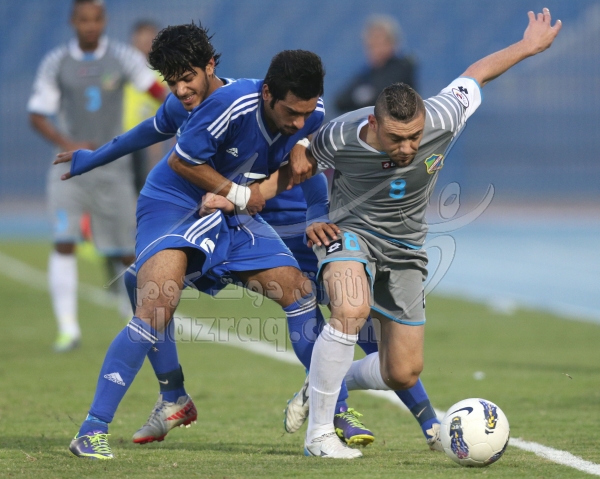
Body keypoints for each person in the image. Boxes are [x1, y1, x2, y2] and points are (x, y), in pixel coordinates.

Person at [56, 25, 443, 453]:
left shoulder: (303, 112)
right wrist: (95, 157)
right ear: (269, 97)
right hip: (178, 205)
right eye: (172, 81)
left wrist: (313, 212)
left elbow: (307, 164)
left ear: (210, 66)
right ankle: (95, 428)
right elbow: (167, 148)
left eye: (187, 78)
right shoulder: (220, 106)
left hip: (233, 210)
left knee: (303, 293)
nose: (181, 90)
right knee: (153, 299)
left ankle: (338, 409)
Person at [287, 8, 562, 459]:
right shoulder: (341, 134)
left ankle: (321, 383)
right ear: (374, 125)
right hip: (351, 233)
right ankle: (319, 435)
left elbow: (476, 74)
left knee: (403, 371)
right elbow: (302, 157)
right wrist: (283, 179)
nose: (408, 148)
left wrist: (528, 47)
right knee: (351, 308)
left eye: (414, 137)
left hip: (407, 248)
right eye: (397, 139)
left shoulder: (444, 116)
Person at [27, 0, 166, 352]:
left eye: (96, 19)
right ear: (73, 22)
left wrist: (180, 109)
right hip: (68, 169)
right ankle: (68, 330)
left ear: (103, 21)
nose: (90, 26)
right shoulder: (56, 62)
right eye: (83, 19)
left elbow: (157, 92)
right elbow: (37, 114)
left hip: (113, 168)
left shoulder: (123, 57)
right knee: (64, 242)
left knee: (126, 250)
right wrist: (67, 142)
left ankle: (136, 321)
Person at [334, 15, 416, 115]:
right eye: (371, 46)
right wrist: (363, 96)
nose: (375, 50)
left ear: (392, 43)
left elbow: (383, 98)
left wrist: (363, 96)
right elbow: (340, 102)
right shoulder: (367, 74)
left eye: (379, 44)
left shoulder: (403, 67)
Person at [123, 20, 166, 192]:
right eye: (144, 38)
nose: (149, 42)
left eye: (152, 38)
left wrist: (156, 146)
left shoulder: (163, 74)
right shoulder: (121, 68)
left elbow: (166, 111)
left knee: (140, 185)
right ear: (134, 39)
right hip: (116, 134)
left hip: (142, 139)